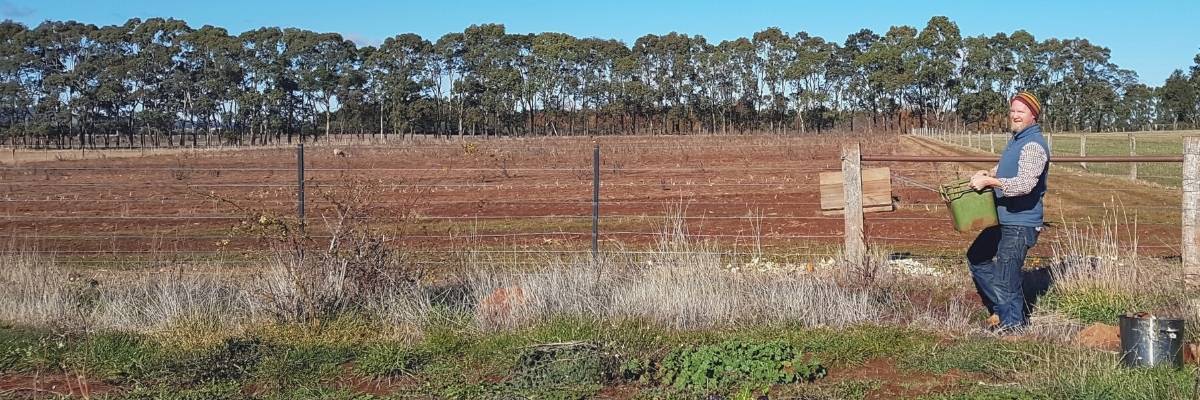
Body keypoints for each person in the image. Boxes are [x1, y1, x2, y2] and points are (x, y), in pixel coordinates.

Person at [966, 91, 1049, 334]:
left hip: (1020, 222)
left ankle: (1013, 329)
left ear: (1033, 116)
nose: (1015, 115)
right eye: (1012, 110)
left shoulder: (1033, 145)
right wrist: (989, 173)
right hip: (1004, 218)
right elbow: (1008, 168)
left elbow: (1025, 184)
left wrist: (991, 183)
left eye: (1020, 111)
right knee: (977, 257)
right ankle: (1003, 312)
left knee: (1006, 277)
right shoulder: (1017, 140)